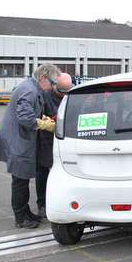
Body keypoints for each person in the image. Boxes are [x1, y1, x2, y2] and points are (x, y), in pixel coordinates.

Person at [0, 63, 61, 228]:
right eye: (52, 83)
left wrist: (43, 118)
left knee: (23, 177)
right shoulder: (29, 90)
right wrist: (47, 125)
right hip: (17, 140)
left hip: (20, 139)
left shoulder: (33, 88)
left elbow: (31, 112)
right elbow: (25, 118)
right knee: (20, 179)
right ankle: (21, 218)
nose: (52, 87)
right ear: (43, 78)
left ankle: (25, 211)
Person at [36, 72, 73, 218]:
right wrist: (48, 123)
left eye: (66, 92)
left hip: (66, 139)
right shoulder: (44, 96)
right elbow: (38, 117)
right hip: (46, 139)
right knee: (43, 171)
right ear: (54, 85)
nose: (63, 95)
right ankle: (42, 204)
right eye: (61, 92)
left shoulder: (72, 93)